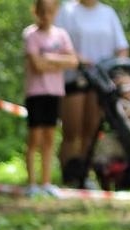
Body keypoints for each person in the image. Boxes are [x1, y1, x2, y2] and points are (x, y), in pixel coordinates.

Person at [56, 0, 128, 188]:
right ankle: (68, 176)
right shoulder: (67, 11)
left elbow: (122, 47)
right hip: (75, 78)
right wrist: (78, 59)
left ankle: (84, 176)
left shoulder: (108, 13)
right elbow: (57, 42)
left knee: (92, 131)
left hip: (101, 81)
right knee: (72, 131)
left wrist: (117, 70)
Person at [23, 0, 76, 197]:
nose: (46, 16)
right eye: (42, 12)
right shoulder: (30, 34)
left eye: (50, 12)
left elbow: (73, 61)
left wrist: (50, 58)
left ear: (55, 12)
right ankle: (32, 183)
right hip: (36, 93)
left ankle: (46, 182)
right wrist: (59, 62)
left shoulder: (61, 35)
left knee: (50, 138)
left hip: (55, 92)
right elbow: (37, 65)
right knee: (35, 138)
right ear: (36, 12)